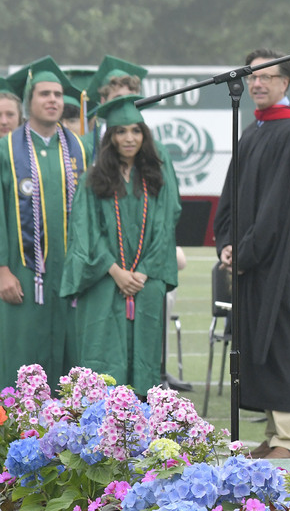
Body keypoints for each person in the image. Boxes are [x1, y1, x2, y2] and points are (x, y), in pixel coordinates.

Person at [213, 50, 290, 459]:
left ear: (285, 83)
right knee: (258, 346)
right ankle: (272, 434)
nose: (256, 84)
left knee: (282, 345)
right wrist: (227, 244)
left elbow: (278, 212)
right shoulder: (254, 131)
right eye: (251, 77)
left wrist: (244, 252)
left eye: (266, 77)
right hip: (254, 262)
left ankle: (288, 441)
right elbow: (231, 197)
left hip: (283, 263)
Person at [61, 95, 181, 395]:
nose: (129, 138)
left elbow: (165, 226)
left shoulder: (156, 178)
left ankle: (141, 429)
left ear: (145, 135)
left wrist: (143, 271)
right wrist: (114, 271)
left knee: (144, 357)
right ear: (110, 138)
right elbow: (84, 232)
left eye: (135, 130)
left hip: (145, 282)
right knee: (104, 356)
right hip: (103, 280)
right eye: (121, 131)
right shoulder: (93, 179)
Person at [0, 58, 91, 386]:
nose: (53, 99)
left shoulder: (79, 150)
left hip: (72, 277)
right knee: (21, 359)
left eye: (57, 94)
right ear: (29, 102)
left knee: (72, 364)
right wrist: (2, 270)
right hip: (22, 274)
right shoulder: (6, 150)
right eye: (44, 94)